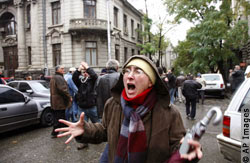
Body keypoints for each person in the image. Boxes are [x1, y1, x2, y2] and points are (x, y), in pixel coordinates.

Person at [56, 55, 202, 162]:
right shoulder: (113, 105)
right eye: (127, 70)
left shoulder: (169, 112)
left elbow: (179, 146)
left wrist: (189, 149)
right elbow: (105, 131)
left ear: (151, 82)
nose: (130, 76)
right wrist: (85, 130)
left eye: (138, 71)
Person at [72, 61, 100, 149]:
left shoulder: (93, 81)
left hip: (92, 107)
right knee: (82, 125)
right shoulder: (80, 81)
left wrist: (87, 67)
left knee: (97, 124)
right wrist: (79, 69)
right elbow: (74, 77)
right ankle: (84, 142)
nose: (85, 73)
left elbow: (95, 76)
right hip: (82, 107)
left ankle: (99, 138)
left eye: (86, 72)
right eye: (84, 72)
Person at [50, 65, 72, 138]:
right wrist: (69, 97)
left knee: (60, 116)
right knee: (59, 117)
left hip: (56, 101)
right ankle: (54, 133)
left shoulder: (55, 77)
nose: (63, 69)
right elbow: (63, 89)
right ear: (57, 70)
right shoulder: (58, 77)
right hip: (59, 101)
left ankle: (65, 130)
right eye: (61, 68)